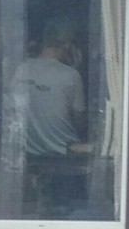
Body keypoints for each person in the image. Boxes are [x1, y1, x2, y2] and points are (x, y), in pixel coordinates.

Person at [11, 24, 87, 158]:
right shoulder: (71, 75)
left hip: (30, 153)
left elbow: (12, 111)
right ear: (68, 46)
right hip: (66, 153)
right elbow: (79, 122)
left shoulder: (22, 69)